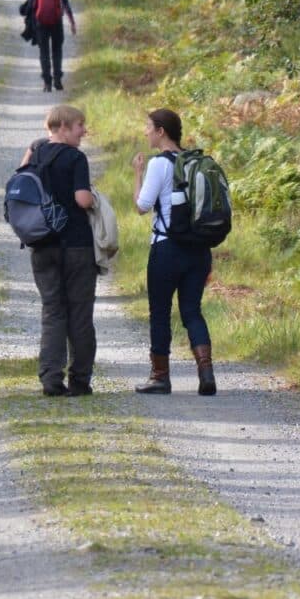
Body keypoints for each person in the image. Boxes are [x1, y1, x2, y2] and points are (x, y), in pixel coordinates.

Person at [131, 108, 216, 396]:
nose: (146, 132)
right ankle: (206, 372)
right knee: (192, 310)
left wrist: (138, 174)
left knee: (160, 312)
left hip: (167, 247)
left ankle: (160, 376)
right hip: (199, 249)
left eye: (148, 127)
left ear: (161, 131)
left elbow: (142, 206)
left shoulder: (159, 164)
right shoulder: (196, 162)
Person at [18, 105, 98, 397]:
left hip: (42, 243)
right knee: (79, 311)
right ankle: (79, 379)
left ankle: (51, 377)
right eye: (79, 125)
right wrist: (93, 199)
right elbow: (81, 199)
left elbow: (21, 184)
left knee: (52, 310)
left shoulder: (35, 154)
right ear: (63, 127)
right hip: (76, 243)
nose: (83, 131)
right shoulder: (75, 158)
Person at [25, 0, 76, 92]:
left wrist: (30, 26)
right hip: (56, 23)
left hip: (41, 24)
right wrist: (72, 23)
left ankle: (47, 83)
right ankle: (57, 80)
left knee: (44, 53)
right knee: (57, 51)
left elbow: (31, 7)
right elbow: (66, 5)